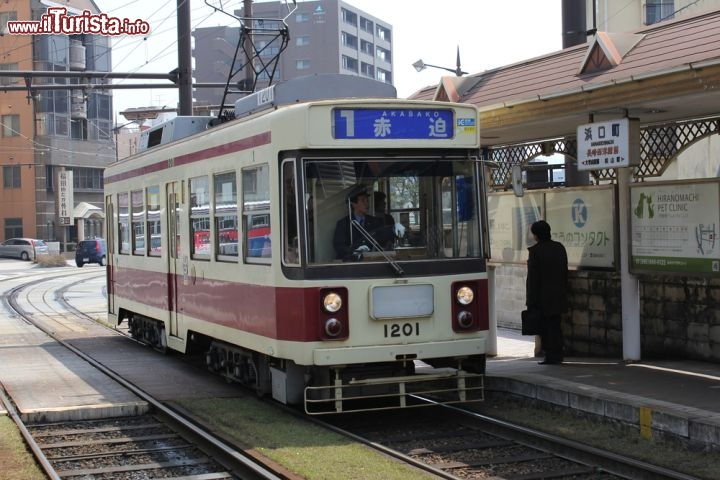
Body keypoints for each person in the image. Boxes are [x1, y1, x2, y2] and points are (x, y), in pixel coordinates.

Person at [525, 220, 568, 365]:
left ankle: (550, 355)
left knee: (546, 328)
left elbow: (533, 279)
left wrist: (530, 300)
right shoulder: (559, 248)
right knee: (556, 325)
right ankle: (558, 353)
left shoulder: (535, 251)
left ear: (536, 235)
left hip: (542, 297)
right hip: (558, 294)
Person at [333, 185, 392, 260]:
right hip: (351, 265)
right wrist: (355, 251)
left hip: (372, 263)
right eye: (363, 200)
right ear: (354, 204)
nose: (367, 204)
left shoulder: (376, 222)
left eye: (367, 200)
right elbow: (339, 247)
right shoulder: (343, 223)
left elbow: (384, 241)